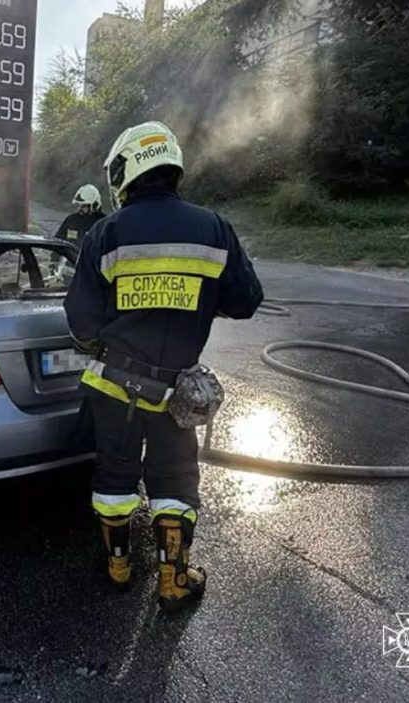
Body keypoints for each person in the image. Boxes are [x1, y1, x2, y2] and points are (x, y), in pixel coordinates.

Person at [65, 121, 264, 610]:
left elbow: (80, 319)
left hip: (113, 387)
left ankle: (119, 566)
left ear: (127, 170)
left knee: (114, 477)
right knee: (174, 480)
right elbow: (246, 302)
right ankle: (173, 581)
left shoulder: (106, 232)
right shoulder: (214, 228)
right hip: (177, 393)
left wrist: (102, 336)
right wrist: (199, 298)